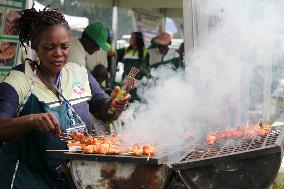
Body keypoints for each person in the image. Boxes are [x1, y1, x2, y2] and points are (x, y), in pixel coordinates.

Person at [0, 7, 130, 189]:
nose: (58, 53)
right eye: (49, 47)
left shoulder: (79, 74)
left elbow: (105, 110)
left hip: (73, 178)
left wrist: (115, 105)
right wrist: (30, 120)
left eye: (64, 46)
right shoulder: (19, 80)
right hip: (27, 180)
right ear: (36, 46)